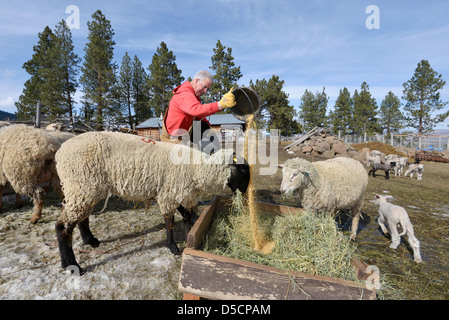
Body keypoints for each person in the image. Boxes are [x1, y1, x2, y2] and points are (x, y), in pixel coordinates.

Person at [161, 70, 236, 144]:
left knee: (203, 126)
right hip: (173, 139)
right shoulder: (185, 94)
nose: (205, 91)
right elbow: (196, 110)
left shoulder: (194, 96)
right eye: (204, 87)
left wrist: (209, 129)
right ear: (197, 81)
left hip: (183, 136)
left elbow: (198, 117)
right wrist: (220, 105)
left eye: (208, 89)